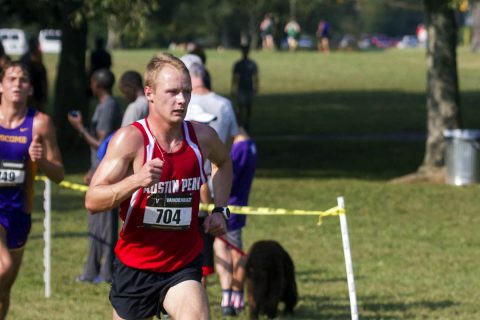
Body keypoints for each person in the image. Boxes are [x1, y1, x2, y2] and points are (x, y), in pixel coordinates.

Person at [84, 52, 232, 320]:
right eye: (172, 92)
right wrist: (135, 181)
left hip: (182, 264)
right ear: (149, 93)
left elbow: (224, 163)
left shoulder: (202, 137)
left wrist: (220, 209)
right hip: (135, 268)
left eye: (186, 92)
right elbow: (92, 200)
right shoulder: (130, 140)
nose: (182, 100)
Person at [0, 61, 64, 319]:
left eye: (23, 79)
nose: (17, 83)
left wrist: (41, 160)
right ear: (1, 86)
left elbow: (58, 174)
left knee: (3, 292)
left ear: (30, 88)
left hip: (19, 215)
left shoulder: (40, 124)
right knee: (2, 267)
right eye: (12, 78)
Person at [180, 54, 238, 316]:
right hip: (220, 182)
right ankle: (228, 296)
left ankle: (195, 299)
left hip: (191, 185)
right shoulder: (224, 105)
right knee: (222, 239)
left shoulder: (183, 105)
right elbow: (231, 143)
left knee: (194, 246)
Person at [68, 68, 122, 284]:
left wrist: (80, 128)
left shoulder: (108, 108)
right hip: (99, 172)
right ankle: (92, 271)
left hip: (106, 175)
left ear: (96, 84)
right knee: (95, 225)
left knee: (106, 226)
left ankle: (106, 272)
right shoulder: (103, 106)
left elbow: (103, 144)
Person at [213, 126, 258, 316]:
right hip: (238, 204)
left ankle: (233, 297)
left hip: (230, 206)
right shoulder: (250, 145)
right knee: (224, 247)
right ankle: (230, 295)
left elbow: (228, 178)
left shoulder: (239, 149)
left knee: (233, 251)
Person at [231, 46, 258, 131]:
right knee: (241, 107)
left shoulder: (248, 64)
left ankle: (245, 123)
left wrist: (256, 86)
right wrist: (233, 88)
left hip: (247, 88)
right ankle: (241, 124)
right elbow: (235, 77)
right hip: (242, 88)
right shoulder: (242, 64)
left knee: (248, 107)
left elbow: (255, 77)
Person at [20, 38, 48, 111]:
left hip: (38, 96)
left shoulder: (38, 59)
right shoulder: (26, 60)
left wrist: (44, 95)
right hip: (31, 97)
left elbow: (43, 79)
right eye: (38, 45)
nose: (40, 48)